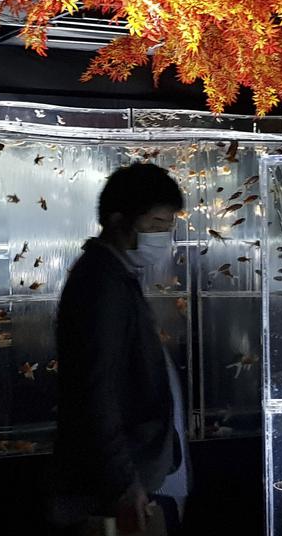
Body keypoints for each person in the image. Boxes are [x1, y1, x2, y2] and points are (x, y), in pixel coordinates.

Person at [49, 163, 190, 535]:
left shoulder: (115, 276)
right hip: (122, 482)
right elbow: (96, 389)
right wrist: (123, 483)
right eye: (157, 223)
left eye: (169, 225)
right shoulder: (102, 284)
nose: (165, 235)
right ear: (117, 220)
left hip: (134, 472)